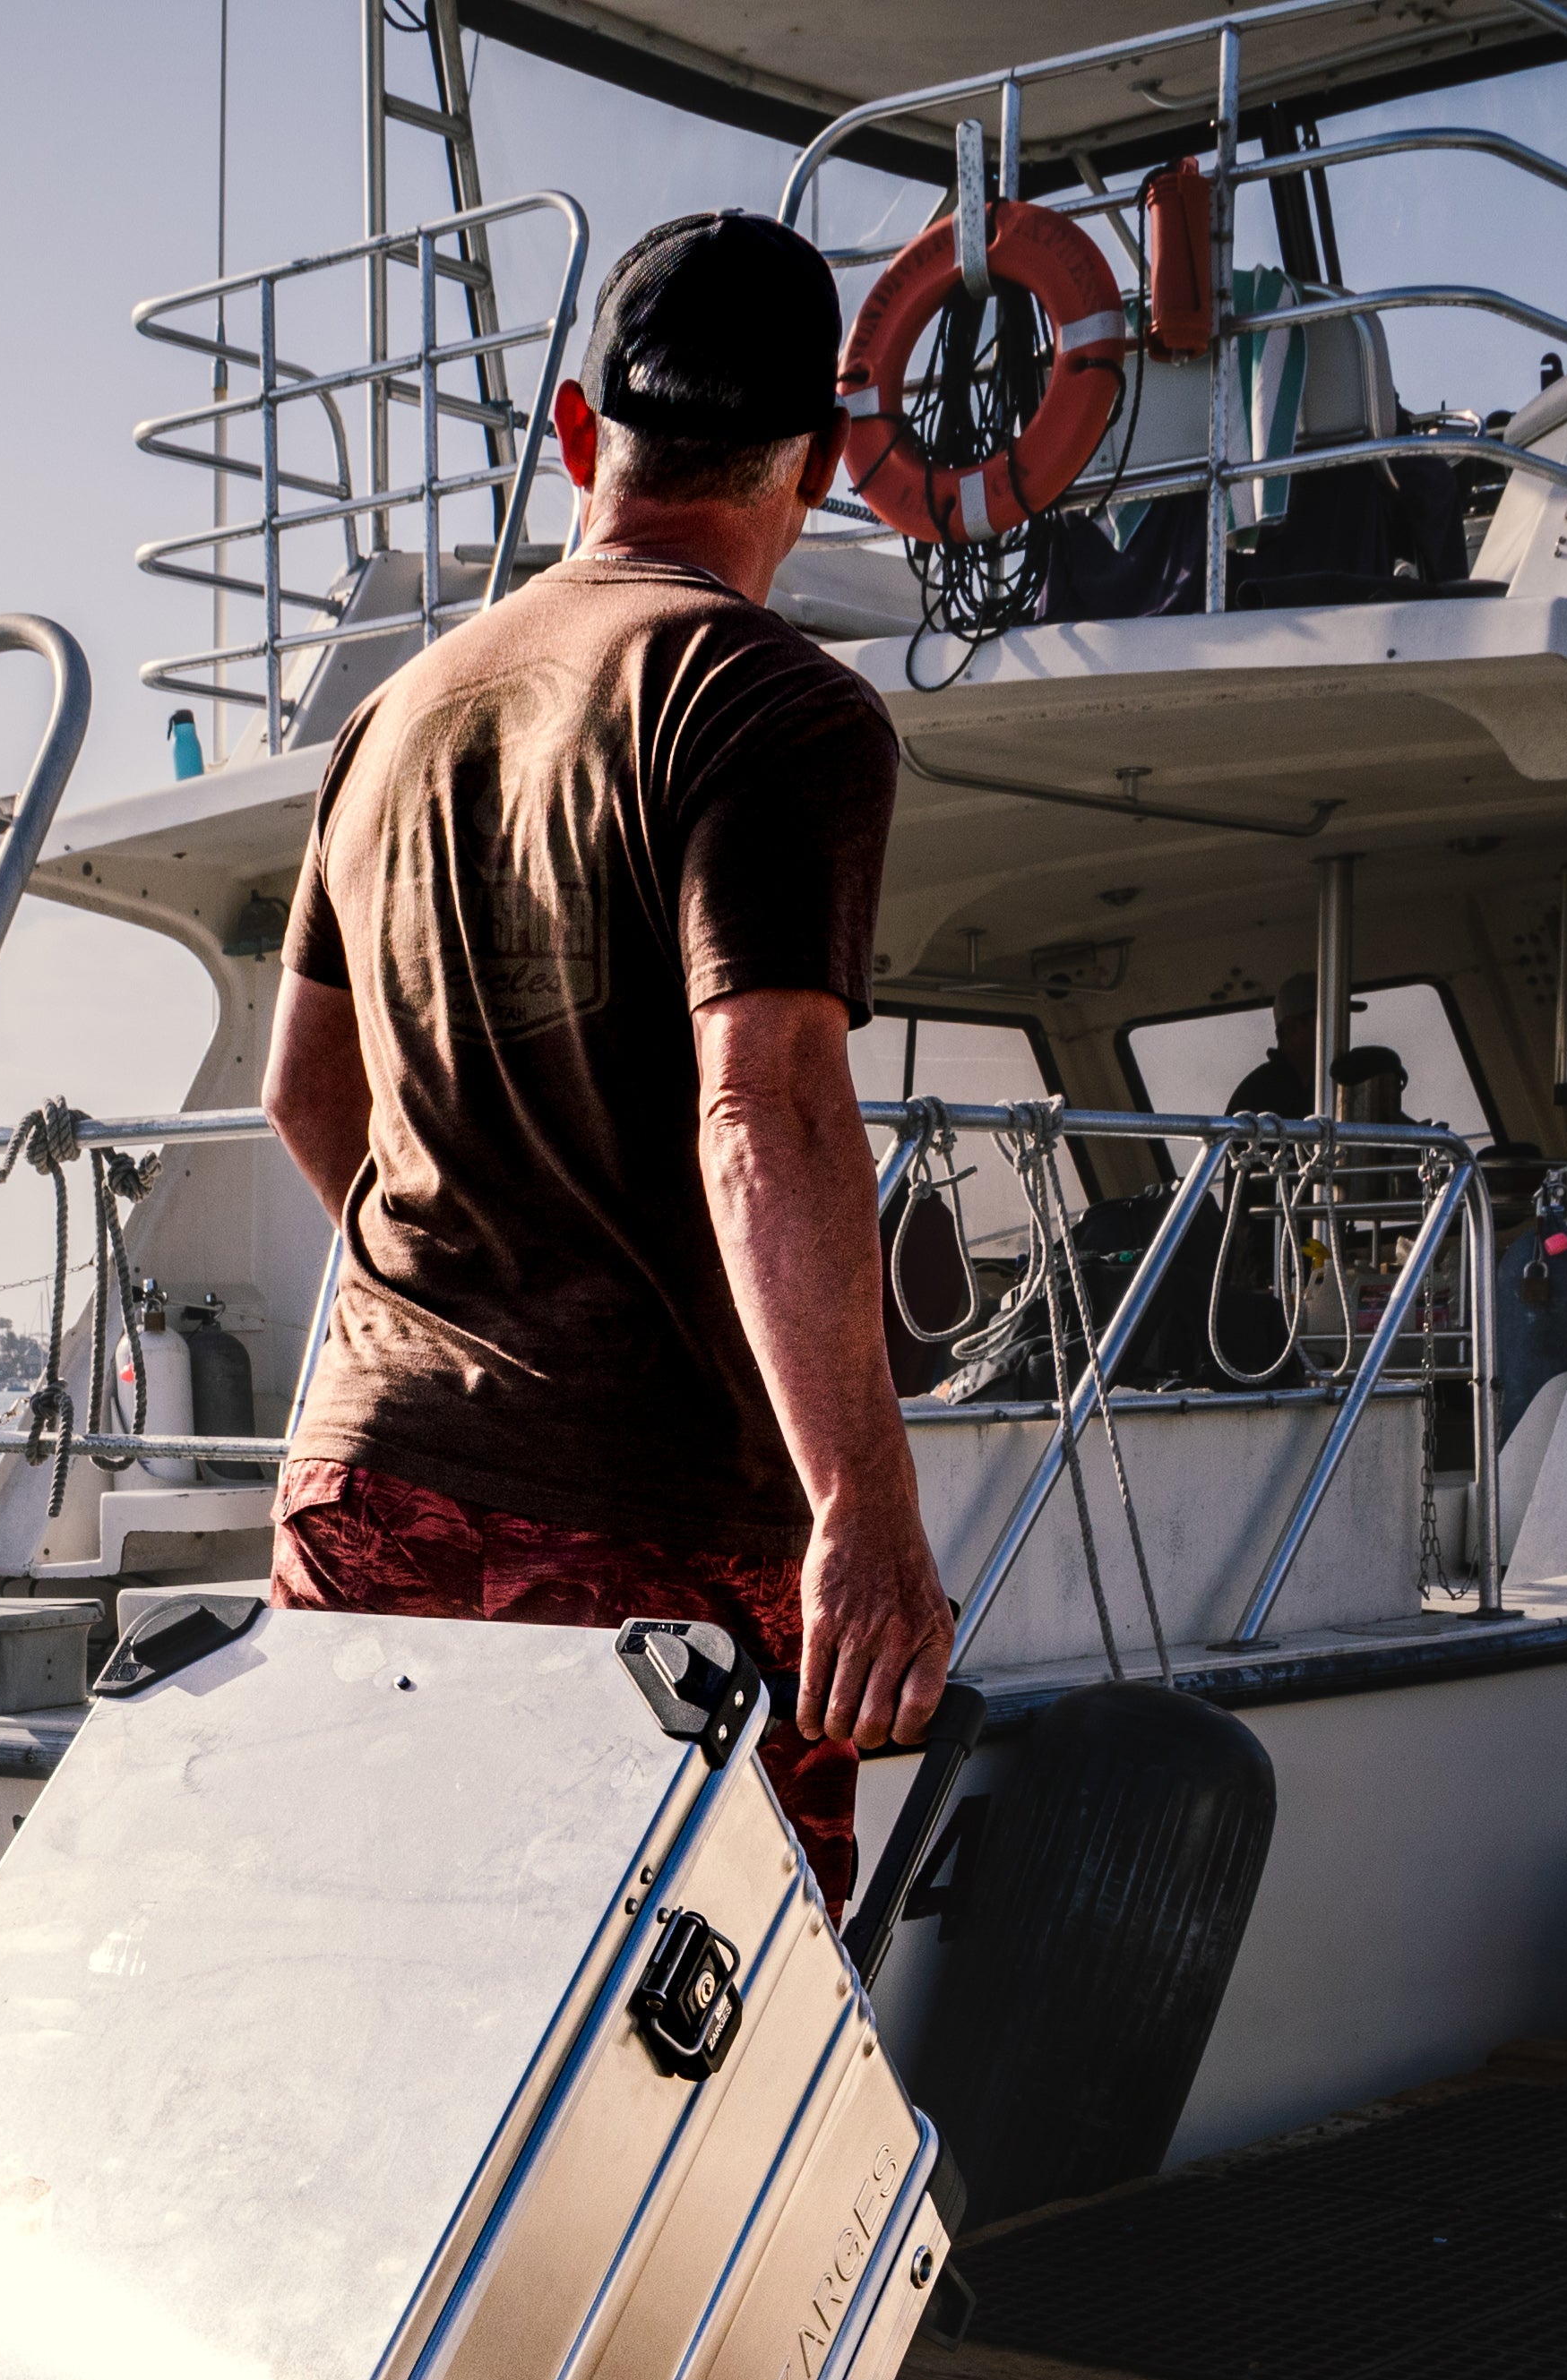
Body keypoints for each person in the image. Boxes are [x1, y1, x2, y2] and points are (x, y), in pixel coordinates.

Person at [263, 209, 942, 1901]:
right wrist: (861, 1505)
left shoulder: (396, 713)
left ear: (578, 433)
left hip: (363, 1487)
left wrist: (480, 1273)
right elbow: (762, 1107)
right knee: (697, 2062)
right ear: (830, 461)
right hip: (643, 1529)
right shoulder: (768, 701)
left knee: (377, 2008)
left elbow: (306, 1093)